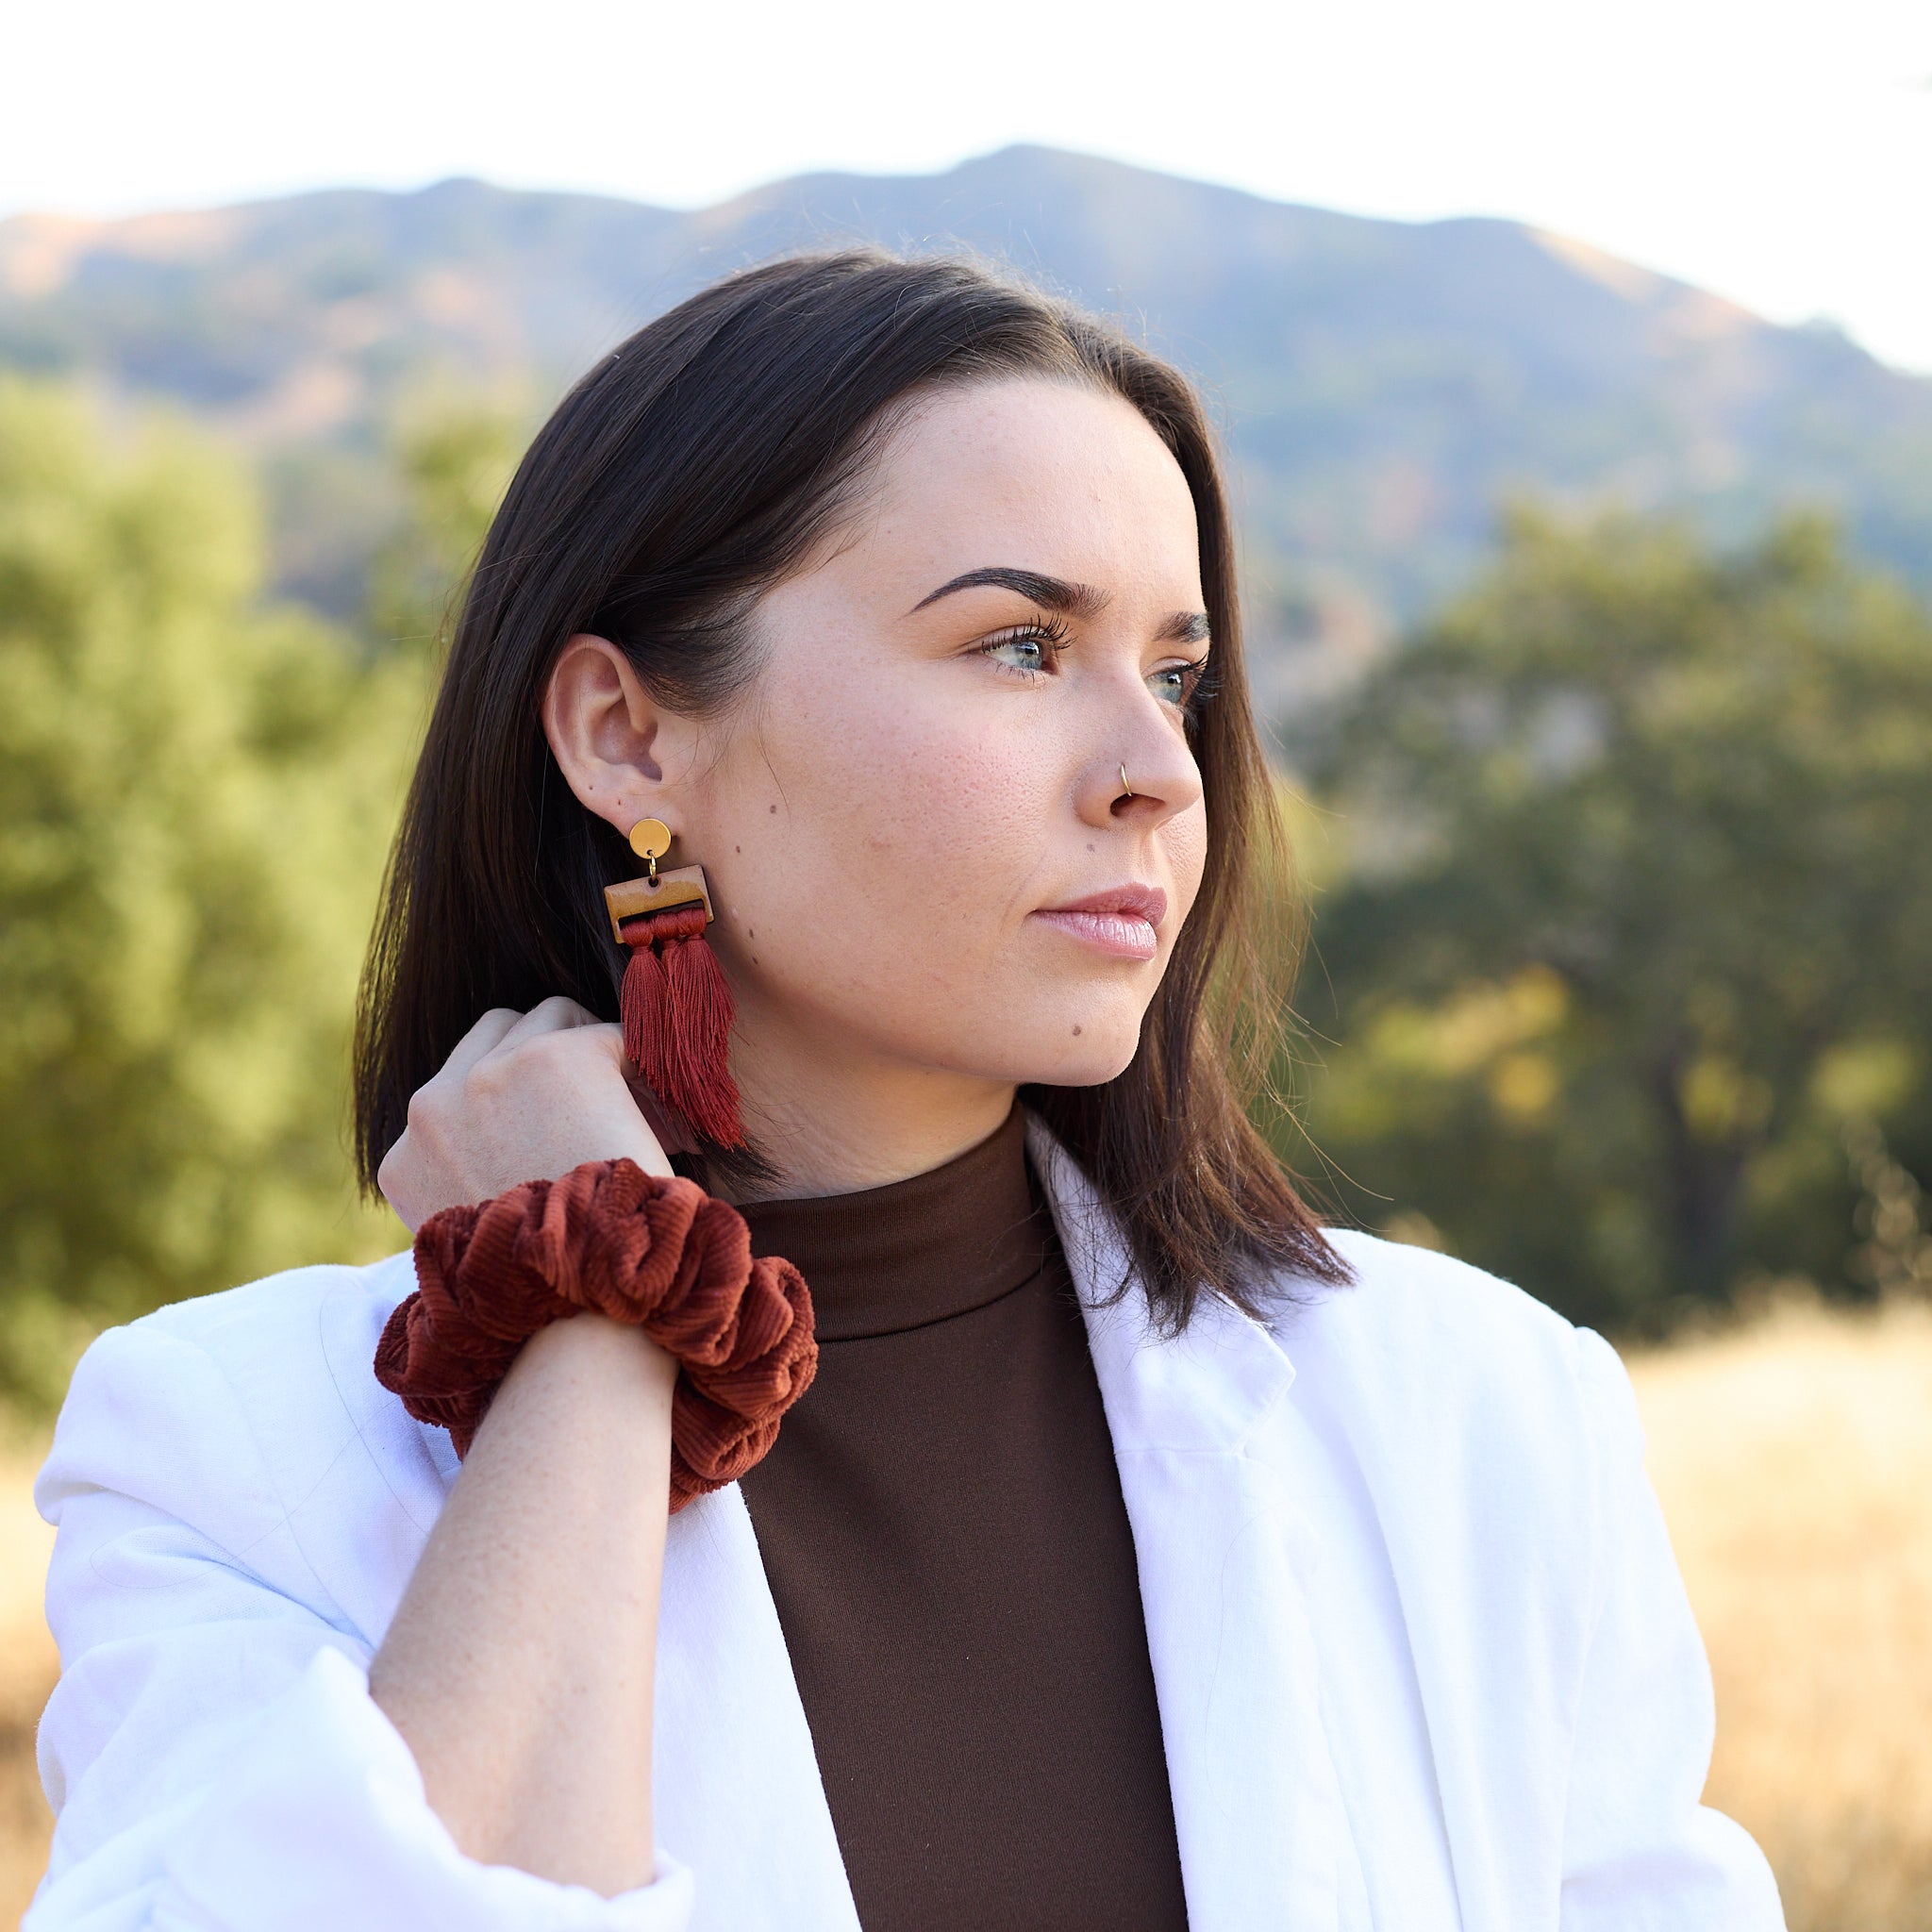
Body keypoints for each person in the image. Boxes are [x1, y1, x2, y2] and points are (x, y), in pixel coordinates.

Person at [28, 251, 1784, 1931]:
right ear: (631, 741)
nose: (1159, 772)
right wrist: (588, 1308)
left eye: (1176, 674)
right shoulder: (233, 1455)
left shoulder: (1482, 1417)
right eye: (1021, 646)